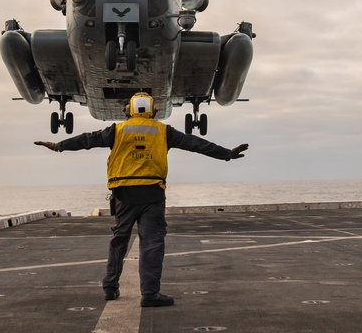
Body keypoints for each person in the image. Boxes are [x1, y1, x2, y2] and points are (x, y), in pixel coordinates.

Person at [35, 92, 248, 308]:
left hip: (123, 194)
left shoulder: (116, 130)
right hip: (152, 194)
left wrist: (59, 145)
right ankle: (150, 294)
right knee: (152, 243)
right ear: (154, 111)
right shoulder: (164, 131)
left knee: (119, 240)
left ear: (128, 110)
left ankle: (110, 287)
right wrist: (226, 154)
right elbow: (195, 143)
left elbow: (87, 140)